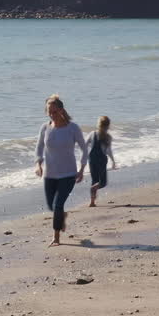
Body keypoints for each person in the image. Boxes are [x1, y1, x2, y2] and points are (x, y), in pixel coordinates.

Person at [35, 94, 88, 247]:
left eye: (54, 111)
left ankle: (56, 236)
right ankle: (61, 216)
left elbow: (84, 149)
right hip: (49, 175)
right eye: (49, 112)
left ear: (61, 110)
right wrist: (38, 164)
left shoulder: (72, 128)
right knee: (52, 206)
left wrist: (82, 168)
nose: (52, 115)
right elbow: (39, 147)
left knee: (58, 205)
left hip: (68, 174)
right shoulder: (45, 128)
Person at [85, 115, 117, 207]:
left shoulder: (92, 134)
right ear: (108, 126)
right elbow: (108, 151)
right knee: (102, 182)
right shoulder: (108, 137)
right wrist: (113, 161)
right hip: (101, 160)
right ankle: (93, 188)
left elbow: (84, 145)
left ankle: (92, 202)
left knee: (94, 180)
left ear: (98, 124)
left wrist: (84, 157)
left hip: (92, 159)